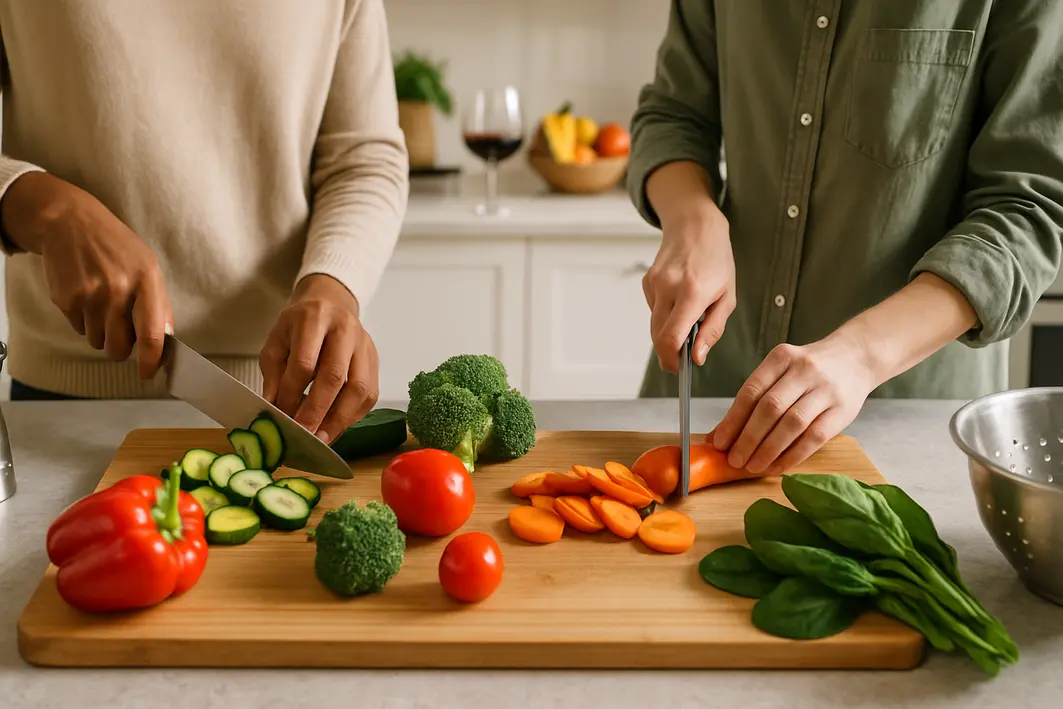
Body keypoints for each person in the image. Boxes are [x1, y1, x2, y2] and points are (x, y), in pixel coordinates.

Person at [628, 2, 1063, 476]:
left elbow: (1028, 208)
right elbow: (674, 115)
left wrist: (861, 356)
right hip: (708, 378)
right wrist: (693, 220)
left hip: (899, 418)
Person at [0, 1, 409, 445]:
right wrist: (43, 208)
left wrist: (332, 285)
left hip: (283, 399)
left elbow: (364, 158)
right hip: (57, 405)